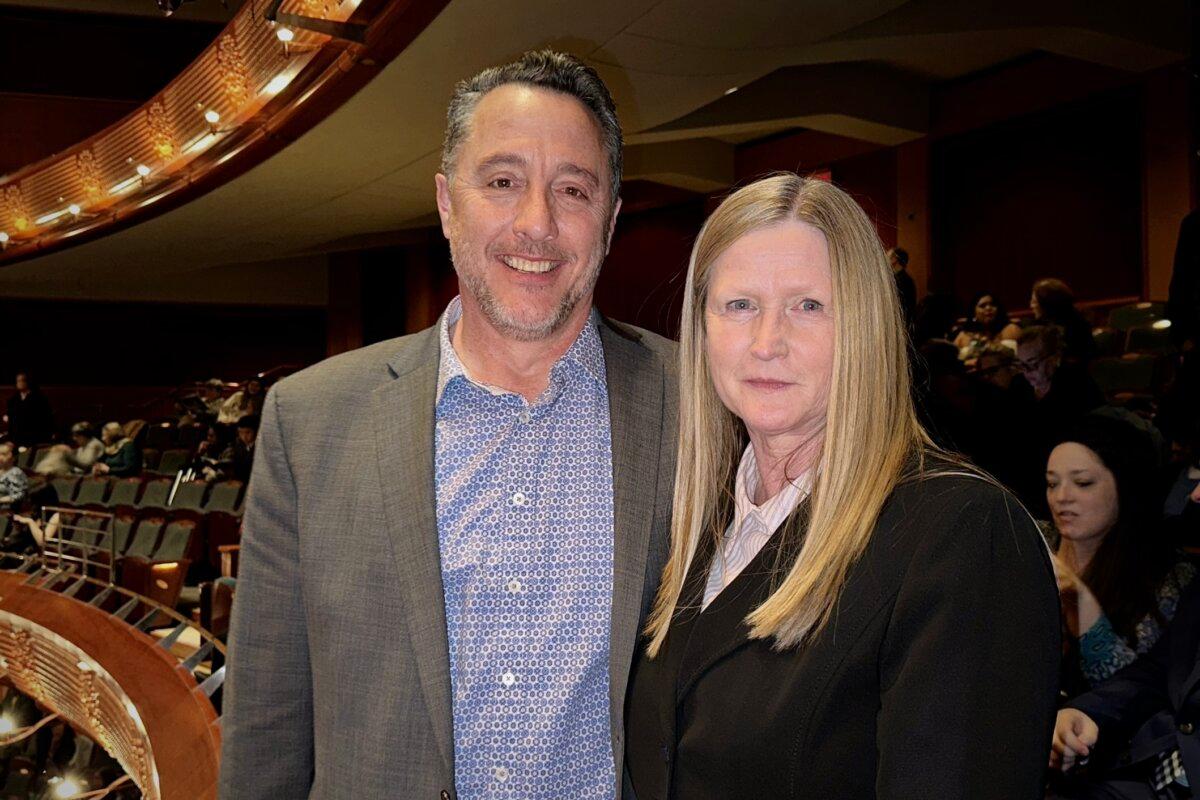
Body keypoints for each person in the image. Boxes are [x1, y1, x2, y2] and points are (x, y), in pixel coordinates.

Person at [219, 50, 678, 800]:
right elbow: (266, 722)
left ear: (612, 216)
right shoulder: (310, 423)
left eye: (573, 189)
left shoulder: (698, 406)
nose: (538, 223)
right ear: (445, 203)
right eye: (502, 183)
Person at [624, 173, 1060, 799]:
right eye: (739, 305)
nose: (767, 343)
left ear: (864, 325)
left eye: (808, 306)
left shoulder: (963, 532)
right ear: (702, 328)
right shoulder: (692, 525)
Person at [1044, 414, 1195, 699]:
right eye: (1052, 484)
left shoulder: (1166, 575)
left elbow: (1130, 693)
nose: (1062, 497)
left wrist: (1079, 600)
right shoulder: (1034, 541)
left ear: (1125, 488)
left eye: (1083, 483)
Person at [1049, 580, 1200, 799]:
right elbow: (1159, 671)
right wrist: (1085, 711)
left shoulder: (1171, 578)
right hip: (1145, 771)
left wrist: (1082, 606)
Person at [1032, 278, 1097, 364]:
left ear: (1048, 304)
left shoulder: (1075, 328)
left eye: (1034, 302)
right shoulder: (1044, 325)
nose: (1031, 305)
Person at [953, 290, 1023, 358]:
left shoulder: (1012, 329)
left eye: (992, 305)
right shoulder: (964, 336)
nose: (988, 308)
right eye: (982, 306)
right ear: (973, 312)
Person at [5, 372, 54, 447]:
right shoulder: (14, 399)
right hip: (17, 436)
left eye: (22, 381)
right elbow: (10, 416)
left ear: (27, 382)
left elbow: (46, 417)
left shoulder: (38, 398)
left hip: (33, 436)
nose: (20, 383)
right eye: (18, 381)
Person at [887, 245, 916, 325]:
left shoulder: (900, 281)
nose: (886, 260)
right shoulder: (906, 279)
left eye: (888, 257)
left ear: (894, 260)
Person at [0, 442, 28, 508]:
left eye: (4, 454)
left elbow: (19, 495)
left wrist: (1, 500)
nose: (0, 457)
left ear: (12, 457)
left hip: (6, 510)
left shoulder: (15, 473)